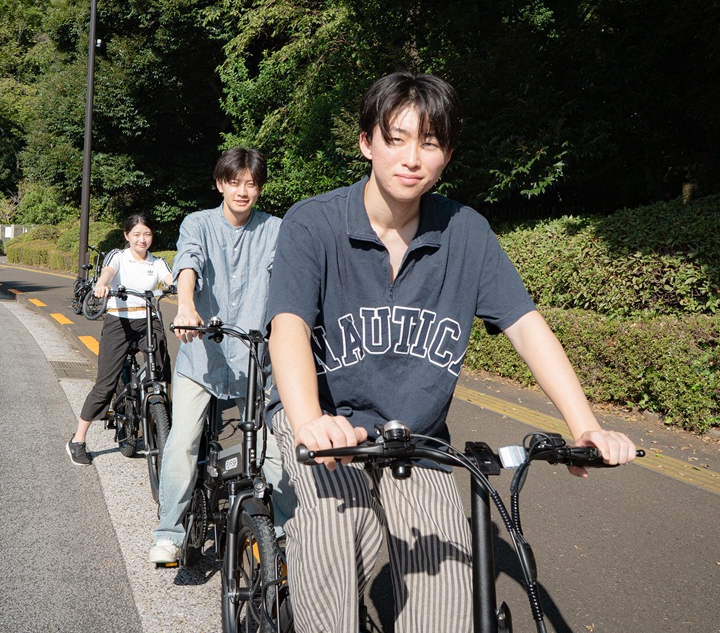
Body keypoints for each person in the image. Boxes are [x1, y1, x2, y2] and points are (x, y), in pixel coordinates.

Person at [265, 72, 639, 633]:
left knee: (446, 603)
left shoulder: (467, 233)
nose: (412, 157)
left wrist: (585, 426)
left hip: (417, 441)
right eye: (396, 138)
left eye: (431, 142)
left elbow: (525, 326)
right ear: (367, 142)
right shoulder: (314, 223)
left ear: (447, 154)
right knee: (331, 542)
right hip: (328, 431)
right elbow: (288, 325)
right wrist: (308, 421)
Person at [148, 147, 292, 566]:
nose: (242, 190)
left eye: (251, 183)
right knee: (184, 441)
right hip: (204, 354)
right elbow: (189, 261)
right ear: (220, 184)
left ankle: (284, 534)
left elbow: (289, 277)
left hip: (255, 356)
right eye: (235, 181)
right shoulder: (199, 223)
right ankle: (169, 533)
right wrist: (186, 306)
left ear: (259, 188)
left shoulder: (276, 229)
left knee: (276, 443)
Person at [69, 213, 173, 467]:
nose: (142, 239)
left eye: (147, 234)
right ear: (127, 236)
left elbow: (171, 279)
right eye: (136, 234)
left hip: (148, 320)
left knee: (162, 371)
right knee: (104, 384)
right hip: (119, 322)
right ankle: (78, 440)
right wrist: (102, 285)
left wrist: (181, 284)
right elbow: (108, 272)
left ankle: (160, 417)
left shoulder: (157, 262)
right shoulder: (118, 256)